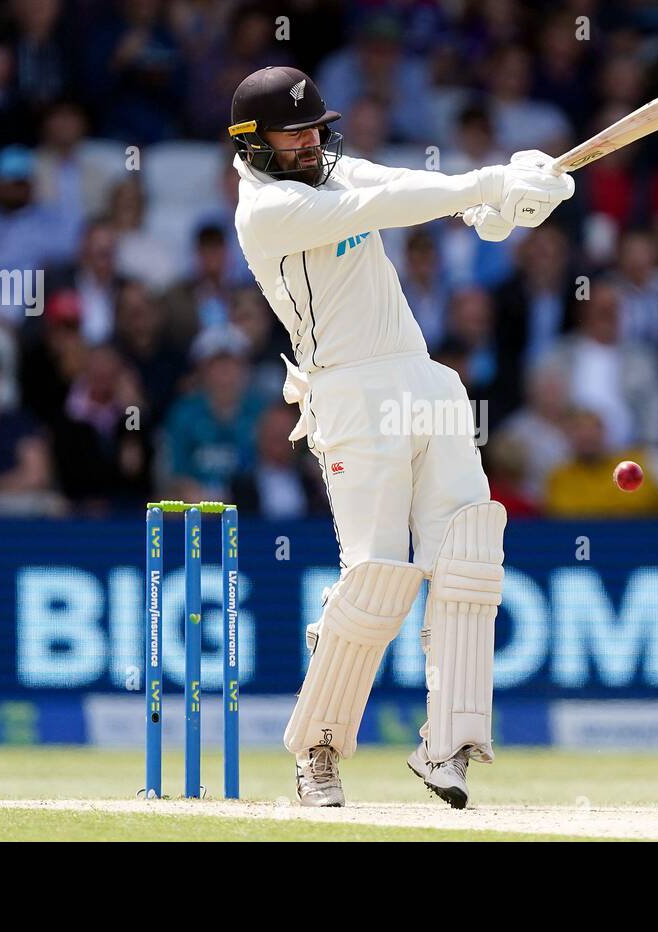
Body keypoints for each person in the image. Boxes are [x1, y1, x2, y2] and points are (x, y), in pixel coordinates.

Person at [227, 66, 573, 808]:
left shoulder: (325, 168)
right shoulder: (267, 211)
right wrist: (486, 185)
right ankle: (317, 747)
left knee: (470, 556)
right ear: (251, 144)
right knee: (378, 579)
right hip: (349, 393)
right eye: (295, 132)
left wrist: (502, 208)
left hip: (424, 379)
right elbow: (384, 205)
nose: (313, 142)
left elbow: (411, 186)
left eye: (318, 127)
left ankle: (448, 748)